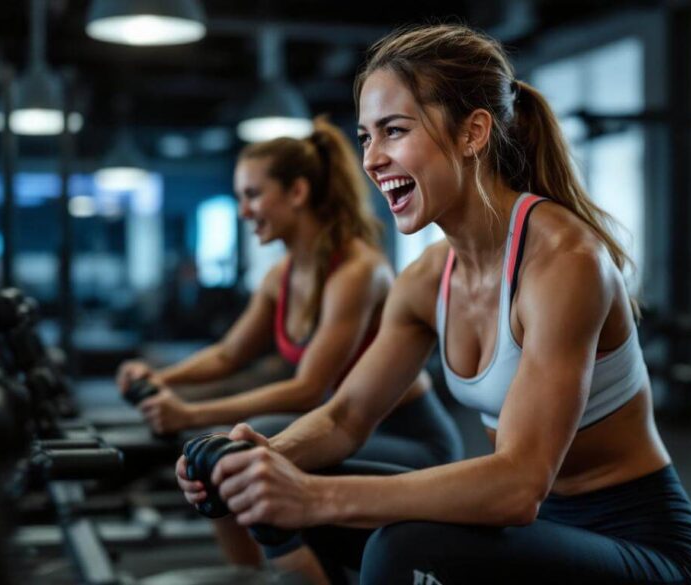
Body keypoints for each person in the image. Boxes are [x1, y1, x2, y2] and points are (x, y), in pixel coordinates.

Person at [178, 25, 691, 585]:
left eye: (394, 131)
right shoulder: (427, 279)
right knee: (284, 478)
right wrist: (260, 460)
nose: (373, 159)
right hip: (538, 535)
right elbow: (346, 416)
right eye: (365, 137)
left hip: (639, 546)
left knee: (398, 546)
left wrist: (312, 497)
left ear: (472, 133)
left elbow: (518, 485)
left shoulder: (562, 260)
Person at [119, 116, 463, 569]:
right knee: (215, 462)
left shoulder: (356, 271)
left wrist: (188, 413)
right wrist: (159, 378)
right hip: (340, 426)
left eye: (253, 195)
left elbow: (309, 389)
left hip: (410, 440)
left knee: (245, 456)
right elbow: (229, 353)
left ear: (297, 193)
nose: (243, 210)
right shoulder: (280, 276)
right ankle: (250, 579)